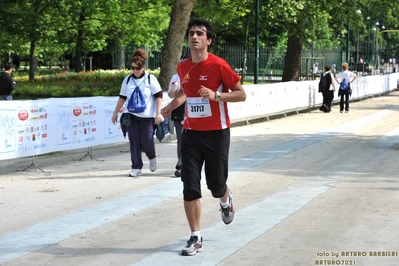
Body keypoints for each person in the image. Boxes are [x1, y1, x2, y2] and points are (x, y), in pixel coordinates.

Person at [161, 18, 246, 256]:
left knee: (216, 185)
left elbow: (241, 94)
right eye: (191, 33)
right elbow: (184, 92)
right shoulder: (183, 66)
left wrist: (216, 97)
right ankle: (195, 237)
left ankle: (225, 199)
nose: (194, 36)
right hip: (190, 134)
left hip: (217, 133)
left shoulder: (219, 65)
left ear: (208, 40)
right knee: (190, 184)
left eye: (200, 33)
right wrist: (170, 106)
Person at [111, 49, 164, 177]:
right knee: (134, 142)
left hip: (147, 116)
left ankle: (152, 157)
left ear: (143, 67)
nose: (135, 70)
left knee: (146, 141)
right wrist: (115, 113)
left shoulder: (150, 79)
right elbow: (122, 97)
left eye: (138, 68)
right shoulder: (127, 80)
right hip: (131, 115)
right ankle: (136, 167)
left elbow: (159, 96)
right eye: (133, 68)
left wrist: (158, 113)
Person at [167, 54, 190, 177]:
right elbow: (170, 95)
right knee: (181, 139)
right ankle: (181, 164)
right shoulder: (176, 77)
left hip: (192, 112)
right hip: (179, 111)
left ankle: (189, 164)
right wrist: (175, 89)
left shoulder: (195, 74)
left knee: (191, 140)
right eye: (182, 61)